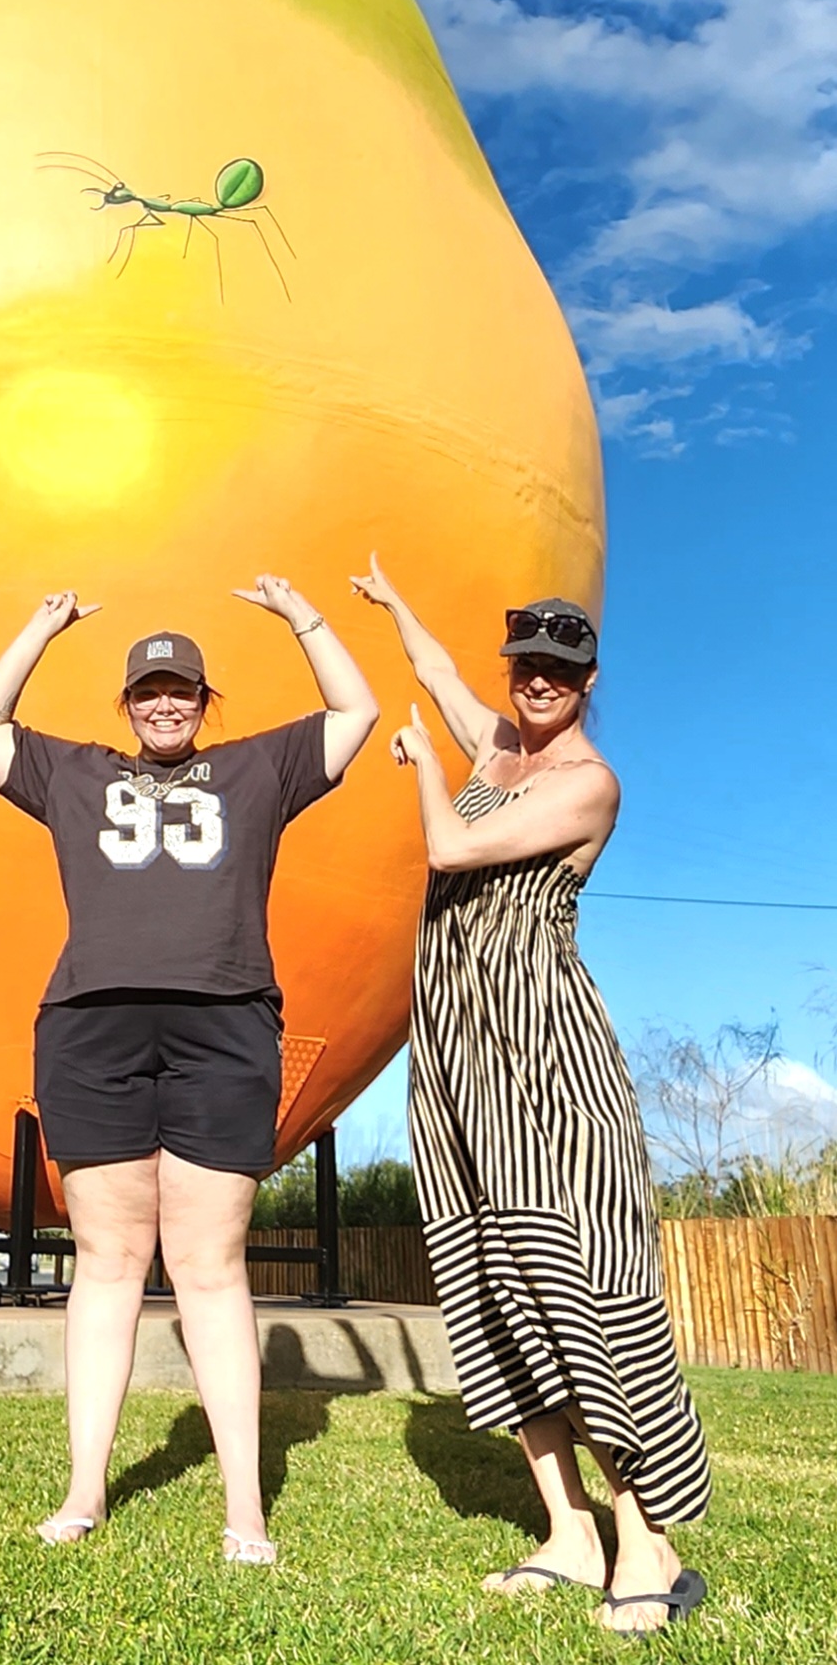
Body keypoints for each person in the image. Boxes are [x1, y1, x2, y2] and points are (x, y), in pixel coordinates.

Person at [0, 576, 378, 1564]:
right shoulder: (72, 771)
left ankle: (245, 1513)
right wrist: (39, 624)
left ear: (203, 699)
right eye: (147, 690)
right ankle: (82, 1492)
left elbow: (354, 712)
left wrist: (303, 616)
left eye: (180, 691)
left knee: (208, 1262)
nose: (163, 704)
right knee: (106, 1263)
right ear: (126, 699)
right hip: (91, 1028)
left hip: (224, 1025)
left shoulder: (257, 768)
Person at [352, 557, 709, 1636]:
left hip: (545, 1054)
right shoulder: (499, 744)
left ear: (588, 680)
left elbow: (449, 844)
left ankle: (647, 1542)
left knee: (579, 1284)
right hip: (457, 1052)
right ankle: (566, 1531)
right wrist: (392, 598)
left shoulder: (584, 782)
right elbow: (440, 671)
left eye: (561, 667)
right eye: (527, 664)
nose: (538, 680)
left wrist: (417, 760)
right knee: (488, 1283)